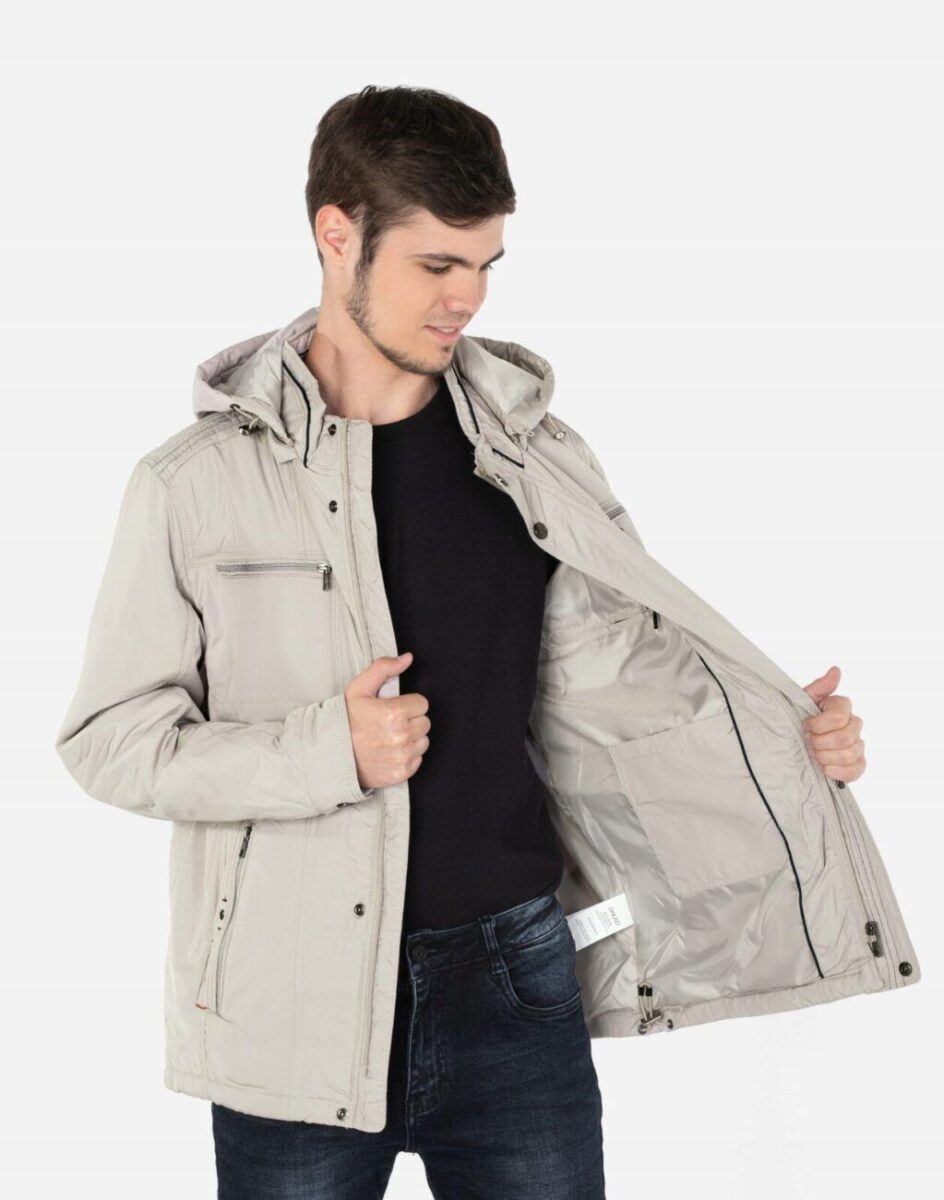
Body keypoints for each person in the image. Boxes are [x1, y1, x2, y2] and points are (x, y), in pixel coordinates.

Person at [55, 84, 917, 1199]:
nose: (464, 297)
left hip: (517, 979)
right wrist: (328, 752)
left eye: (484, 264)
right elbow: (109, 740)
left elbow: (622, 686)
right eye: (435, 264)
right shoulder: (193, 485)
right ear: (336, 234)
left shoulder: (535, 459)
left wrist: (783, 738)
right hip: (287, 1000)